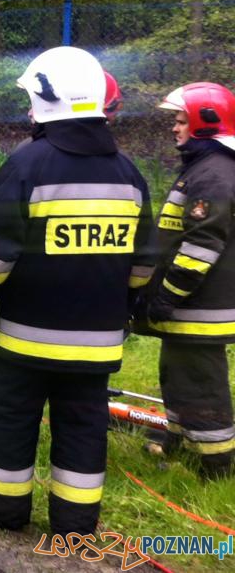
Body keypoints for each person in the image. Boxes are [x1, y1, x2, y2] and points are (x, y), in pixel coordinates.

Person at [0, 46, 155, 537]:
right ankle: (76, 525)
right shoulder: (129, 173)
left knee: (12, 419)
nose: (29, 110)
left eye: (32, 100)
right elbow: (144, 263)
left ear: (48, 101)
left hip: (27, 338)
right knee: (84, 426)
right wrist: (125, 307)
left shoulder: (28, 165)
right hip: (98, 341)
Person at [133, 81, 235, 479]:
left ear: (206, 123)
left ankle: (215, 465)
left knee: (199, 382)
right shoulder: (205, 167)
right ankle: (180, 442)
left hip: (199, 306)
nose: (175, 128)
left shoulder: (213, 175)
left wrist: (167, 295)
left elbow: (202, 245)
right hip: (192, 305)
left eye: (181, 121)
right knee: (177, 373)